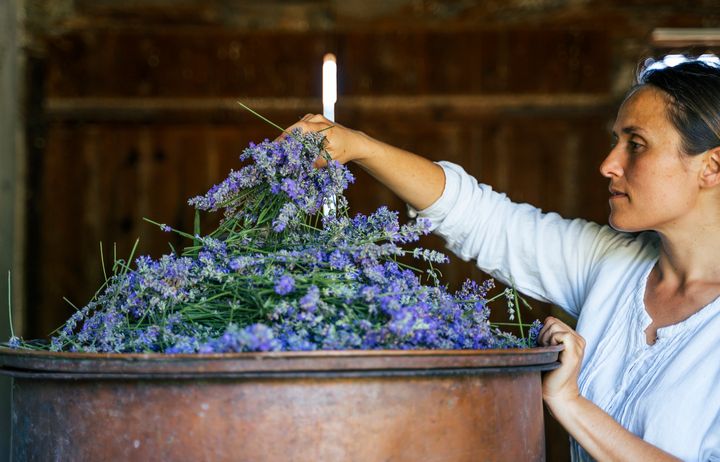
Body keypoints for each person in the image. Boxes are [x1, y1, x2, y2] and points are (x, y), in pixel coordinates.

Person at [284, 58, 720, 461]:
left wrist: (569, 401)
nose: (608, 164)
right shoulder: (612, 264)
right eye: (616, 141)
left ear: (711, 167)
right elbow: (485, 220)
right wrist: (360, 148)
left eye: (636, 144)